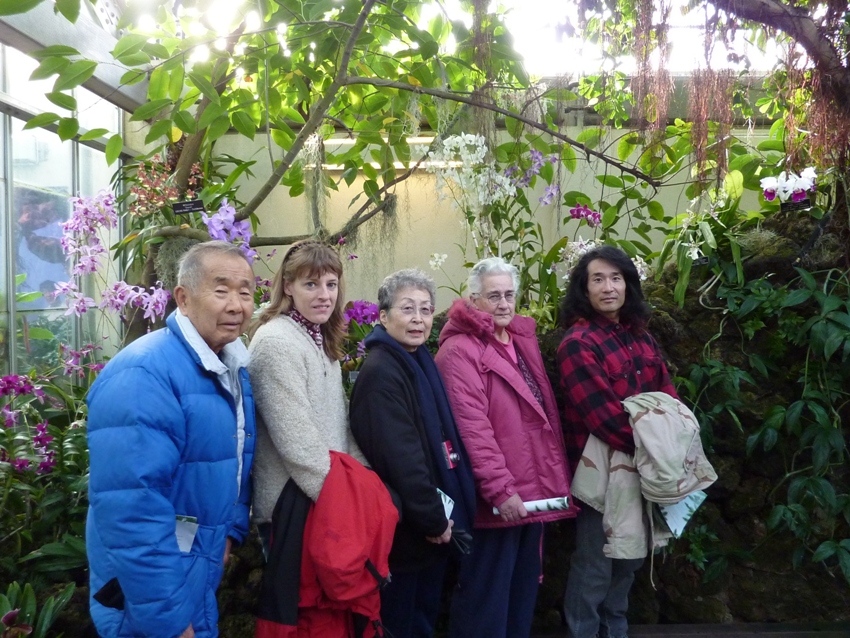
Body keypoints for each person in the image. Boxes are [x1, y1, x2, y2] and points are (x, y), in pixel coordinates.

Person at [86, 240, 257, 638]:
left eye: (245, 292)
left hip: (193, 565)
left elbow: (237, 453)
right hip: (149, 595)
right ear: (182, 297)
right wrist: (169, 623)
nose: (236, 305)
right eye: (221, 290)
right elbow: (132, 510)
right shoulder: (144, 374)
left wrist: (230, 529)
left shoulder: (229, 364)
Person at [434, 256, 575, 638]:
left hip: (531, 492)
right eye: (493, 296)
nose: (503, 304)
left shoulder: (518, 338)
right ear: (473, 298)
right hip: (497, 498)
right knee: (486, 601)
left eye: (509, 295)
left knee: (520, 596)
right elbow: (472, 430)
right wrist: (501, 489)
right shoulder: (460, 350)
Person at [558, 245, 678, 638]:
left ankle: (616, 631)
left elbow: (668, 398)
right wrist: (657, 450)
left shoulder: (640, 335)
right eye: (598, 279)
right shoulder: (578, 343)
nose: (608, 287)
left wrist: (672, 443)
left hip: (646, 465)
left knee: (628, 560)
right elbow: (604, 419)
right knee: (595, 562)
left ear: (627, 284)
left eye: (616, 278)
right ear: (584, 288)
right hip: (602, 473)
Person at [248, 240, 368, 634]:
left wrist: (363, 485)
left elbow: (340, 424)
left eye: (331, 285)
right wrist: (345, 504)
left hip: (325, 496)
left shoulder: (318, 337)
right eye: (311, 284)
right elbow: (296, 442)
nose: (324, 295)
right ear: (287, 286)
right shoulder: (275, 342)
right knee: (304, 621)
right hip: (292, 502)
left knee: (332, 616)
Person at [349, 269, 477, 638]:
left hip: (429, 525)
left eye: (425, 309)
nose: (419, 319)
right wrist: (434, 521)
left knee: (422, 620)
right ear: (383, 316)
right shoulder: (381, 373)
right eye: (407, 309)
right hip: (406, 531)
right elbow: (402, 459)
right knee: (400, 624)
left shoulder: (419, 361)